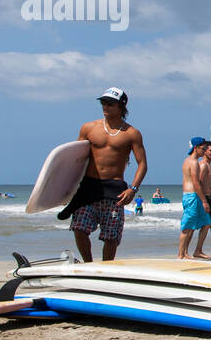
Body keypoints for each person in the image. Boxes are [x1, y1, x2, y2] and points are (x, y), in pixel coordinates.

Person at [59, 87, 147, 262]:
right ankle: (88, 264)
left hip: (115, 189)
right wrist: (67, 188)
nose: (105, 107)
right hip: (89, 187)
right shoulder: (88, 128)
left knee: (111, 236)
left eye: (110, 104)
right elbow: (75, 158)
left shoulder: (131, 133)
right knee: (79, 228)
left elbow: (142, 164)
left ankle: (107, 267)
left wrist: (133, 189)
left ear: (122, 106)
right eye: (103, 103)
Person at [178, 137, 211, 259]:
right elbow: (196, 183)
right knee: (187, 227)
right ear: (195, 148)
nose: (204, 151)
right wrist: (204, 201)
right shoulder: (193, 163)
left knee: (207, 222)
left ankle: (194, 251)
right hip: (191, 196)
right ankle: (180, 254)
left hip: (193, 196)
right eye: (203, 149)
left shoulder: (190, 161)